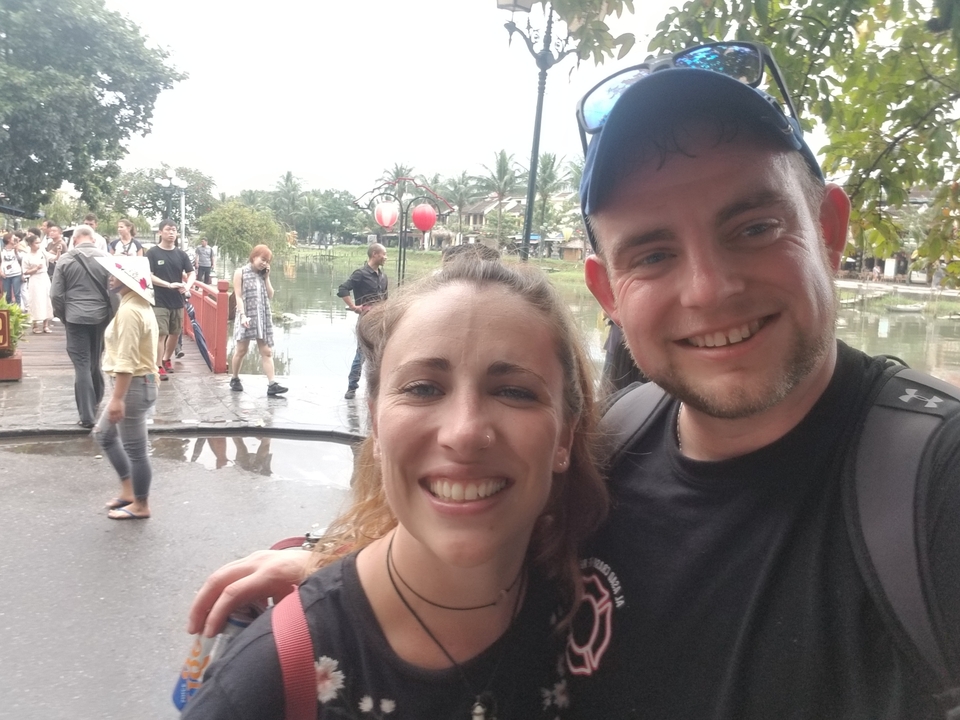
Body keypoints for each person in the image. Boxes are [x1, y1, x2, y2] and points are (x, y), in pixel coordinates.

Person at [189, 41, 960, 719]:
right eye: (653, 254)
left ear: (828, 231)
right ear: (609, 294)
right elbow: (480, 521)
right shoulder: (618, 444)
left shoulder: (934, 492)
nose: (708, 289)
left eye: (754, 228)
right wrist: (336, 577)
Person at [183, 259, 606, 719]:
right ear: (376, 425)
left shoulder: (590, 614)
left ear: (565, 436)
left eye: (515, 392)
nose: (464, 433)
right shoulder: (263, 681)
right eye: (423, 389)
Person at [93, 255, 159, 520]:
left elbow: (127, 359)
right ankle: (129, 491)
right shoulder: (134, 304)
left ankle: (141, 505)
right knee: (104, 435)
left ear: (130, 279)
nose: (110, 276)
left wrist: (117, 398)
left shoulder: (131, 310)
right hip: (136, 384)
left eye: (116, 273)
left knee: (135, 450)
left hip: (132, 386)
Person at [50, 224, 111, 428]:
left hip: (75, 317)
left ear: (74, 240)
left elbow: (56, 295)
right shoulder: (106, 258)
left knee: (82, 365)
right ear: (93, 240)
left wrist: (64, 316)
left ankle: (86, 416)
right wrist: (111, 317)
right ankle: (96, 399)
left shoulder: (66, 259)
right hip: (101, 316)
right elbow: (115, 292)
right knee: (95, 359)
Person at [229, 244, 288, 396]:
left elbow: (270, 294)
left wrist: (267, 277)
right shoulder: (240, 272)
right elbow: (238, 296)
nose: (264, 263)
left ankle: (272, 384)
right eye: (263, 259)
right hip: (246, 315)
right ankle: (235, 378)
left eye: (267, 261)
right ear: (254, 256)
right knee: (241, 350)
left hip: (262, 316)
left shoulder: (263, 275)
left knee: (267, 351)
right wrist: (242, 315)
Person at [146, 219, 195, 380]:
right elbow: (149, 275)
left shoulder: (181, 254)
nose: (172, 232)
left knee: (175, 332)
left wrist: (187, 286)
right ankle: (158, 365)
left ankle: (167, 359)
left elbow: (191, 272)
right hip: (159, 300)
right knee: (161, 334)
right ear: (160, 232)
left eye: (174, 230)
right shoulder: (152, 253)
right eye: (168, 229)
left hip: (177, 300)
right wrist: (167, 284)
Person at [337, 242, 387, 399]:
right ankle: (352, 386)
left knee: (381, 353)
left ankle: (376, 388)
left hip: (381, 319)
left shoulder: (382, 276)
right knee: (362, 352)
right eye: (383, 254)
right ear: (375, 254)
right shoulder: (361, 274)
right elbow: (343, 289)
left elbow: (385, 299)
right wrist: (353, 306)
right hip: (366, 318)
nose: (386, 257)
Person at [22, 234, 54, 333]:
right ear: (31, 244)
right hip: (34, 279)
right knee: (35, 300)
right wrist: (35, 269)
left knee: (47, 299)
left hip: (44, 277)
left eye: (39, 242)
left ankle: (46, 324)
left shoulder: (42, 252)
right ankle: (34, 324)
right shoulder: (26, 256)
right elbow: (25, 271)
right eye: (36, 243)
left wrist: (59, 251)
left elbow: (54, 258)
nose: (38, 245)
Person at [1, 231, 24, 307]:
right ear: (8, 240)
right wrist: (1, 272)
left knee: (17, 293)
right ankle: (9, 310)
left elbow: (21, 258)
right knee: (7, 294)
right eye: (12, 238)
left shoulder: (16, 249)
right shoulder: (2, 250)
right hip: (6, 274)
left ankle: (18, 309)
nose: (14, 239)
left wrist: (17, 249)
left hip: (16, 273)